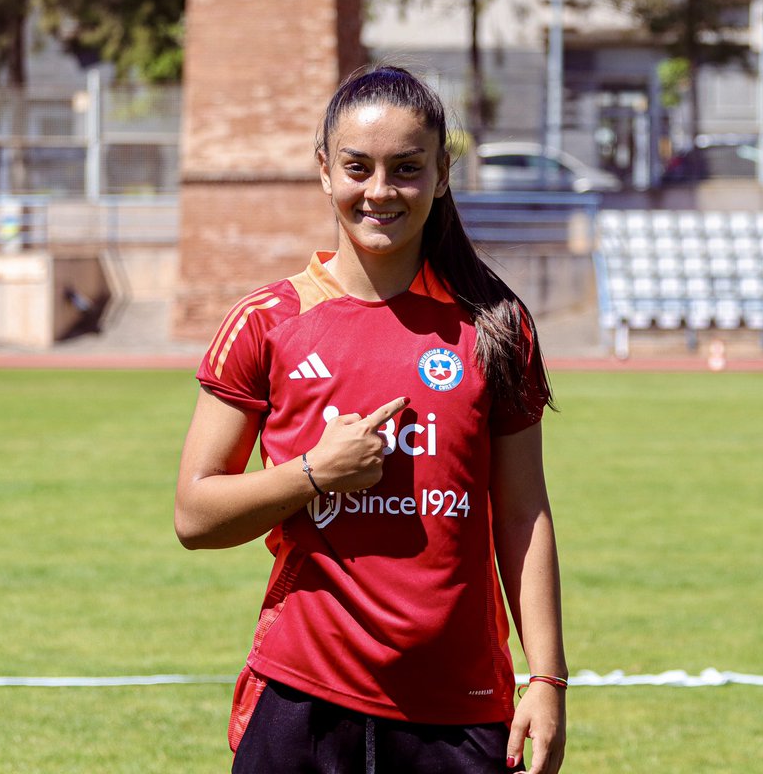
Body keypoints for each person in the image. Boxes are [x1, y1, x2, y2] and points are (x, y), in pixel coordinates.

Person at [175, 65, 567, 774]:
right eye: (358, 167)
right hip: (304, 696)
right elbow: (195, 515)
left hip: (461, 704)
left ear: (442, 174)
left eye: (406, 168)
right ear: (324, 172)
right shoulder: (267, 323)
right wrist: (315, 474)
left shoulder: (496, 326)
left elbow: (522, 514)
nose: (380, 191)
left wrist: (547, 678)